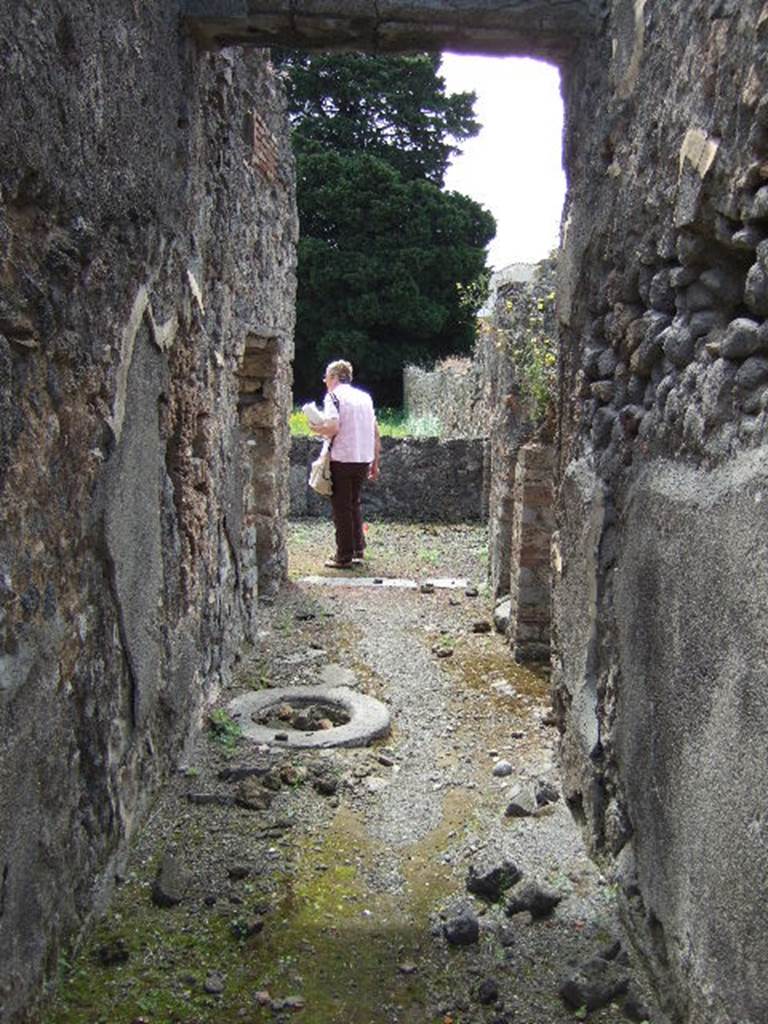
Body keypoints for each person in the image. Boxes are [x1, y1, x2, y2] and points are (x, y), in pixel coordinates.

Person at [310, 359, 380, 569]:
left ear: (333, 377)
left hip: (342, 457)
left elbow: (332, 427)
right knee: (353, 503)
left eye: (326, 377)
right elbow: (375, 431)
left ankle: (344, 555)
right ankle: (358, 547)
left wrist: (316, 428)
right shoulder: (365, 397)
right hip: (363, 457)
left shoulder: (333, 396)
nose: (325, 382)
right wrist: (375, 461)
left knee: (341, 507)